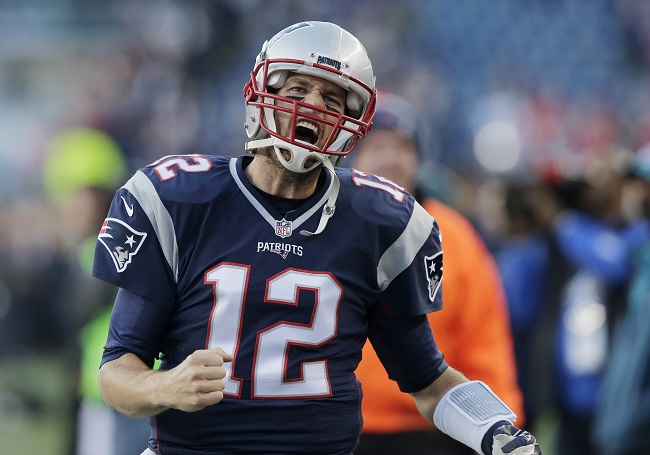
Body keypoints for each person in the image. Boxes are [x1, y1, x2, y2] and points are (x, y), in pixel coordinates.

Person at [93, 21, 541, 455]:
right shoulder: (180, 199)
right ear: (263, 92)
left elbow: (428, 380)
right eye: (297, 90)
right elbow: (117, 370)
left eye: (331, 97)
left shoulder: (380, 221)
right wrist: (164, 385)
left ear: (352, 120)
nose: (312, 106)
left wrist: (496, 431)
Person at [349, 92, 525, 455]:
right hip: (338, 424)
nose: (390, 158)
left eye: (402, 147)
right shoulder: (321, 226)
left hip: (428, 428)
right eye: (377, 145)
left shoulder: (453, 235)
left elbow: (483, 336)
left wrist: (495, 424)